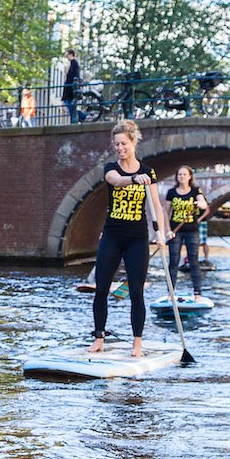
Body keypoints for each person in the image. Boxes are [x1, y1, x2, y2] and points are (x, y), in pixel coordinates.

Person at [89, 120, 166, 358]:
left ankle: (137, 343)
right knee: (101, 289)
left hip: (137, 239)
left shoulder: (148, 172)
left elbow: (156, 206)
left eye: (124, 144)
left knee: (136, 292)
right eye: (117, 144)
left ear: (134, 142)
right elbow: (116, 181)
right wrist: (133, 179)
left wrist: (161, 233)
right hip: (112, 236)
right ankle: (99, 338)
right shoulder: (111, 168)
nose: (120, 148)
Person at [165, 165, 208, 300]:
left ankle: (197, 293)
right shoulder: (171, 192)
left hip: (192, 231)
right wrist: (168, 230)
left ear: (190, 177)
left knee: (193, 261)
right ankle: (170, 293)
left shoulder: (195, 191)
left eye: (184, 174)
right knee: (174, 262)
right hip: (175, 231)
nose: (182, 177)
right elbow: (166, 212)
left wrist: (199, 204)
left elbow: (203, 204)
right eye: (180, 174)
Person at [62, 49, 80, 123]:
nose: (67, 57)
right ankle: (78, 117)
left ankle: (82, 116)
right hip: (70, 88)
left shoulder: (74, 63)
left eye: (67, 55)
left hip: (70, 89)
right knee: (70, 105)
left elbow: (73, 76)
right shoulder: (73, 63)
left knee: (70, 105)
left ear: (70, 55)